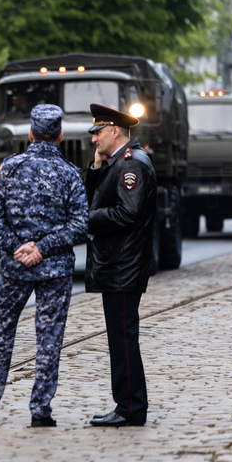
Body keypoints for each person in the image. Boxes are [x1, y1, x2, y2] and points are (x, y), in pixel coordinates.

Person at [0, 104, 89, 427]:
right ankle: (40, 411)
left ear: (30, 133)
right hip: (55, 271)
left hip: (15, 269)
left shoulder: (9, 169)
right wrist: (43, 247)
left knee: (1, 332)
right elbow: (80, 225)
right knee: (49, 339)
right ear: (61, 136)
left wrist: (17, 248)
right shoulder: (69, 174)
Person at [85, 103, 156, 427]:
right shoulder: (117, 162)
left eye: (98, 133)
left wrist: (87, 220)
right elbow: (99, 198)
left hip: (124, 265)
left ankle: (131, 408)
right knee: (119, 337)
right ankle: (125, 404)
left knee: (123, 338)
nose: (93, 139)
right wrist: (97, 167)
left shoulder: (133, 165)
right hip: (118, 263)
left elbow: (127, 213)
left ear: (115, 131)